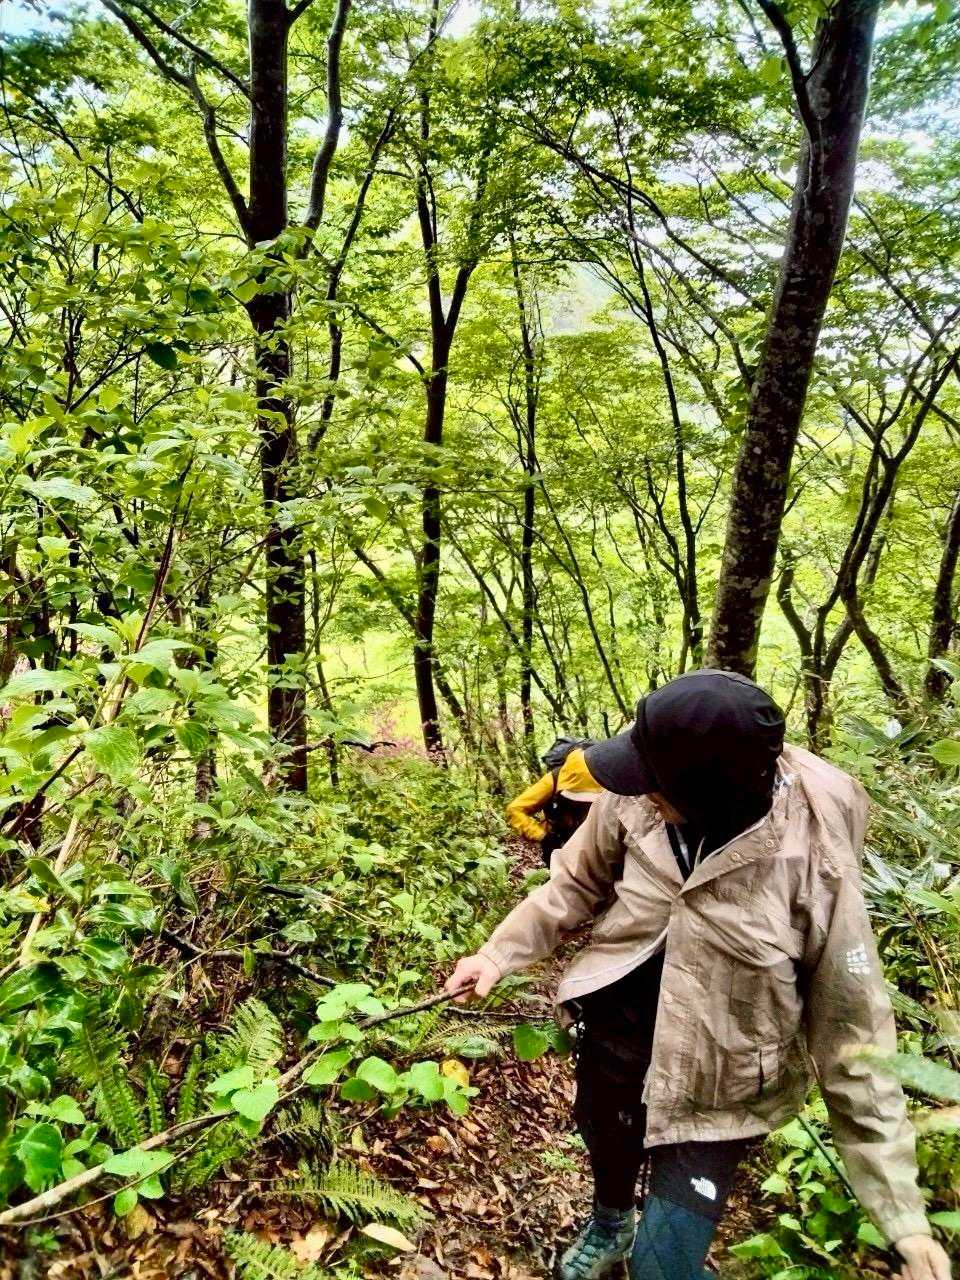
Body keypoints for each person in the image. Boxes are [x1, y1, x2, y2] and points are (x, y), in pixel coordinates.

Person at [446, 670, 951, 1280]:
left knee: (664, 1268)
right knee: (608, 1136)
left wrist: (903, 1219)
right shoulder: (642, 786)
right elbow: (574, 883)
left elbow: (856, 1035)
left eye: (655, 783)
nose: (636, 789)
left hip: (722, 1074)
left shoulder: (816, 862)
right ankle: (610, 1223)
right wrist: (497, 955)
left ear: (707, 792)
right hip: (619, 1024)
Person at [506, 737, 602, 868]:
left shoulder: (611, 780)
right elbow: (515, 809)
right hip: (560, 838)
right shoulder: (555, 778)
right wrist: (544, 837)